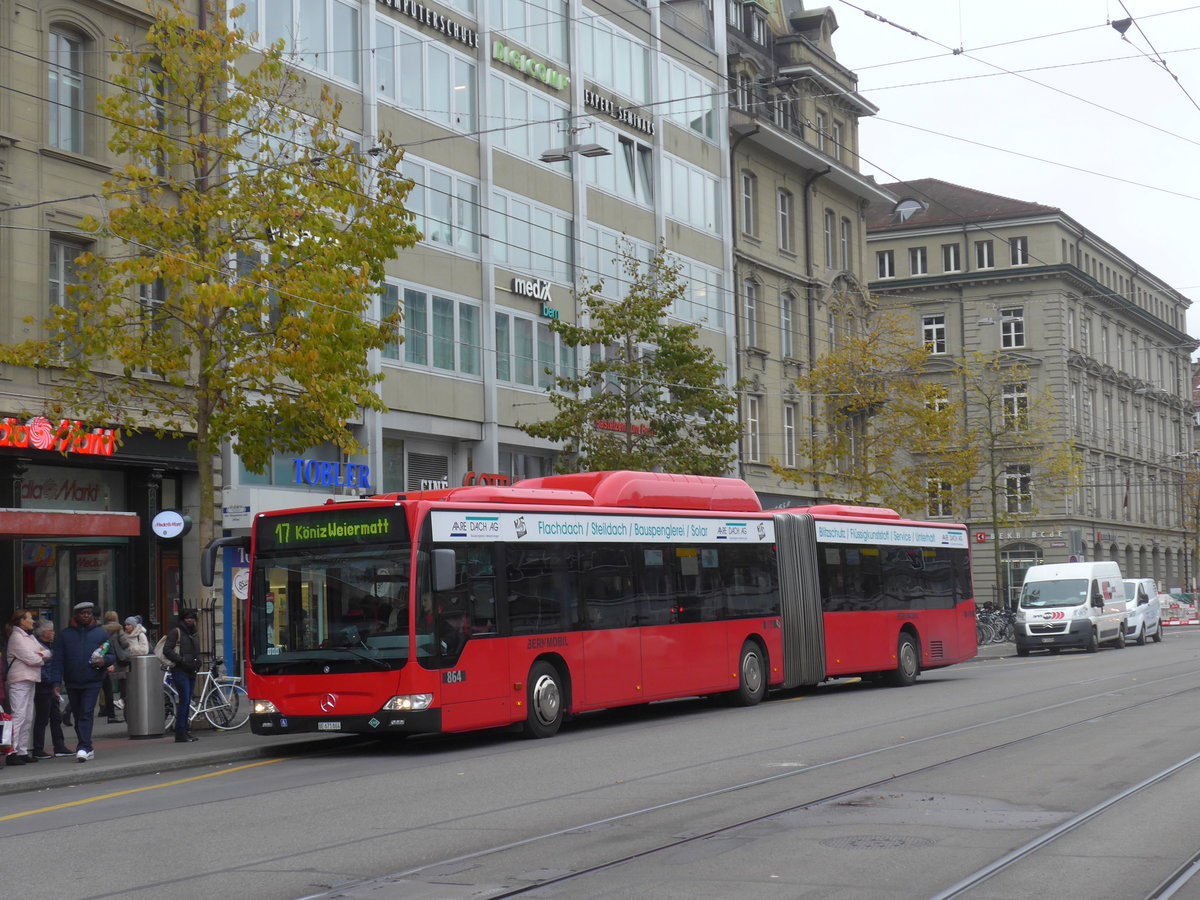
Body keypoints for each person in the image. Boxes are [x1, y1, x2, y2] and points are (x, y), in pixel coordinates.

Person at [53, 601, 114, 762]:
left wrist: (104, 661)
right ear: (76, 615)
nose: (86, 615)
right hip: (72, 681)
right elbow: (58, 660)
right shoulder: (65, 635)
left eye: (89, 613)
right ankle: (86, 744)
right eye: (82, 613)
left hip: (93, 680)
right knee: (78, 714)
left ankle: (84, 747)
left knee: (86, 713)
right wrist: (56, 683)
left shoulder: (100, 633)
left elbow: (111, 655)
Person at [5, 609, 51, 765]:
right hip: (19, 680)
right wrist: (40, 656)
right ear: (21, 621)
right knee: (18, 715)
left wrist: (40, 655)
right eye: (30, 618)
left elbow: (47, 652)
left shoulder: (29, 636)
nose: (33, 621)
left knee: (28, 716)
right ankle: (11, 752)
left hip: (31, 679)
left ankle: (22, 750)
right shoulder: (16, 637)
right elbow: (32, 658)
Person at [31, 619, 70, 760]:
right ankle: (38, 748)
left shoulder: (50, 646)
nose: (53, 633)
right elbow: (41, 668)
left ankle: (59, 746)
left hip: (50, 685)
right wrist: (51, 682)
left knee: (55, 717)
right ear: (43, 633)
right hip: (43, 687)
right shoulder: (40, 646)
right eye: (51, 631)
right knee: (43, 718)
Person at [162, 608, 201, 743]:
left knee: (186, 701)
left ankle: (184, 731)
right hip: (180, 670)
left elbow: (196, 651)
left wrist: (197, 661)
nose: (190, 620)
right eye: (187, 617)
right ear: (182, 619)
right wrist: (181, 660)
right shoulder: (176, 632)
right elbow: (166, 650)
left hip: (191, 670)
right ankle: (180, 732)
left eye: (192, 617)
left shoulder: (194, 632)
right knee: (184, 701)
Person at [99, 610, 125, 723]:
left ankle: (105, 709)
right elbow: (125, 643)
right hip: (116, 658)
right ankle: (112, 714)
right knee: (120, 683)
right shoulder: (119, 628)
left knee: (102, 686)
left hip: (103, 659)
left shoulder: (101, 629)